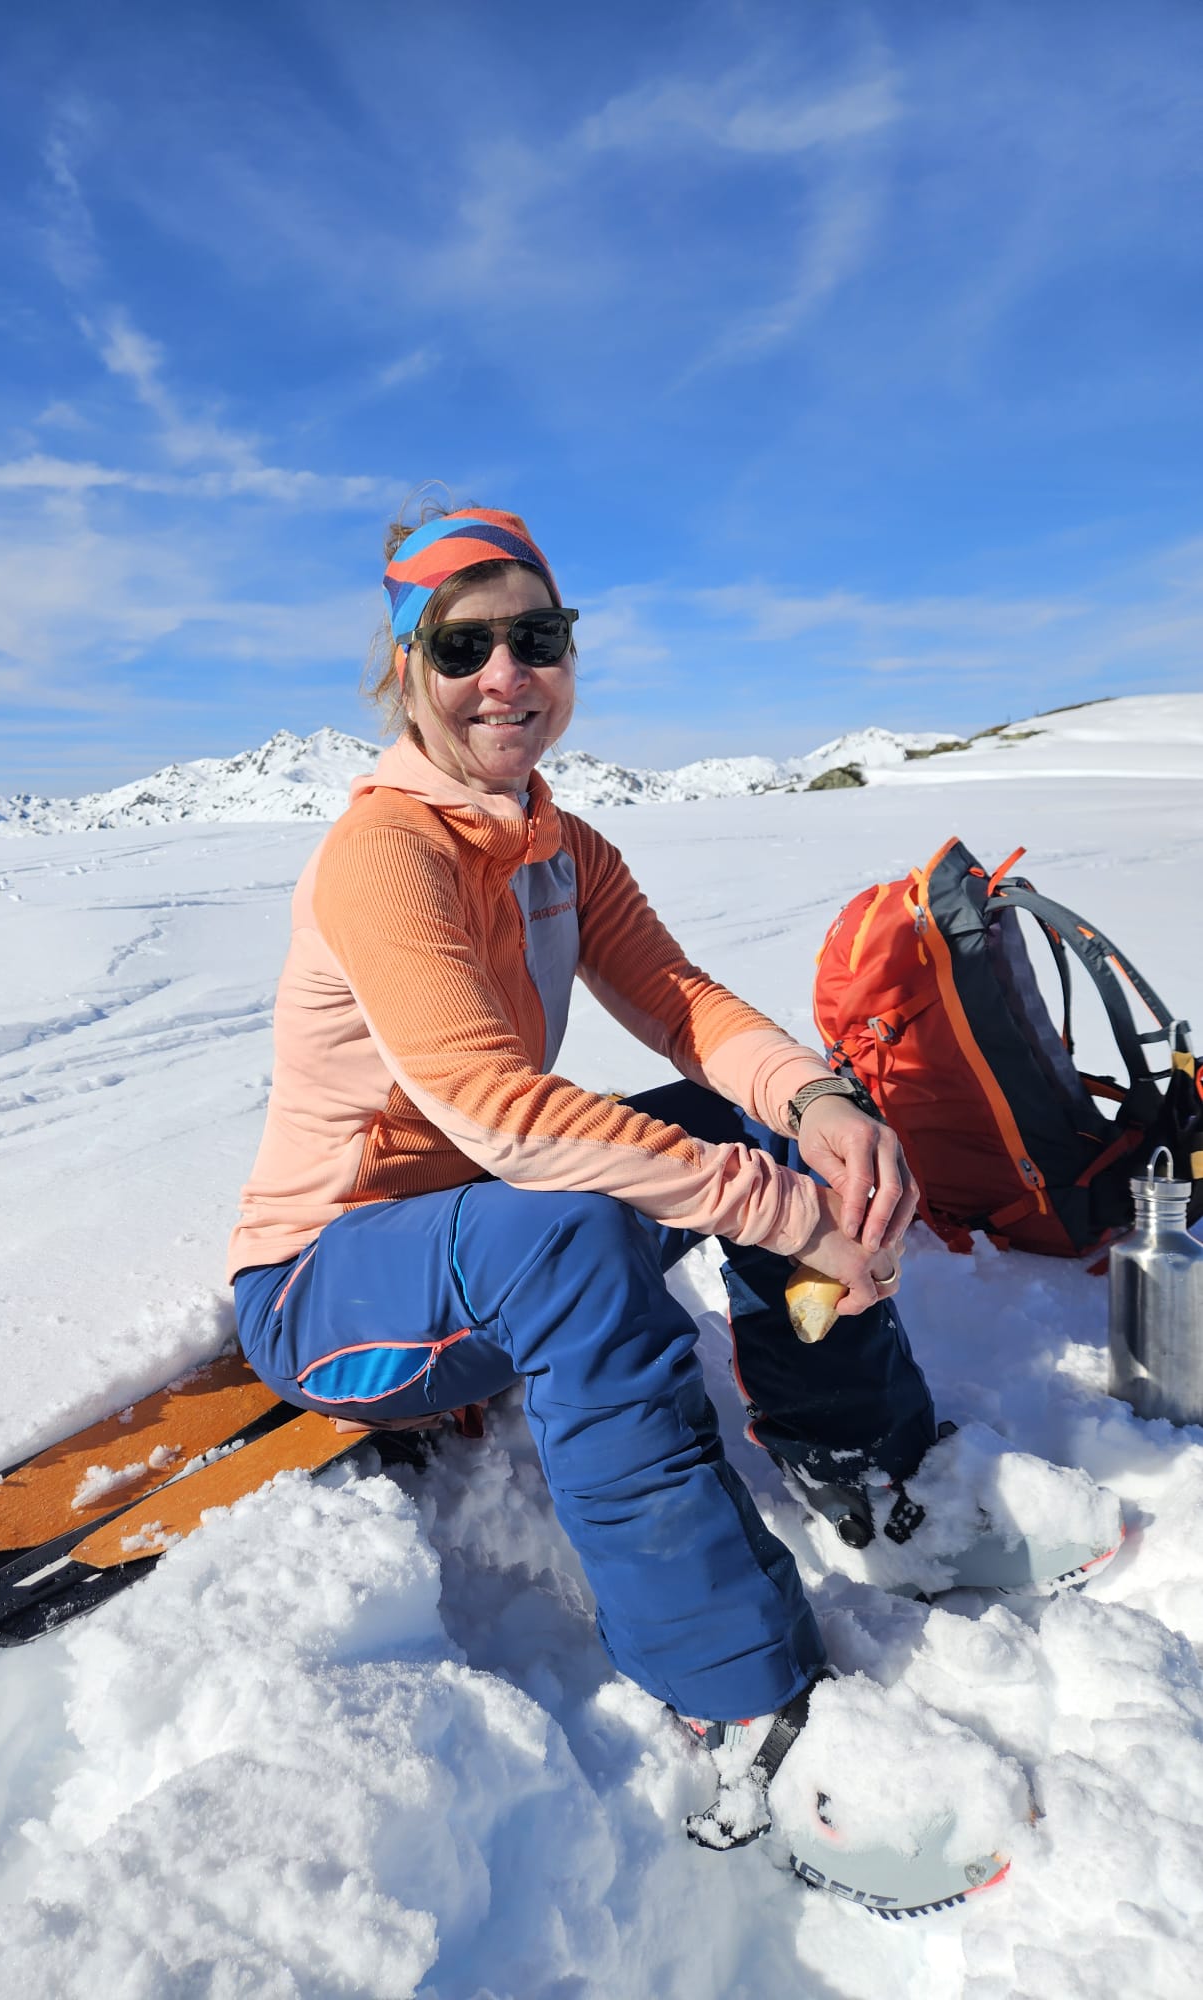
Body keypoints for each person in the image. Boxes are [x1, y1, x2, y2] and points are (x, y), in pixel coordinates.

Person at [227, 504, 1115, 1903]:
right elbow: (496, 1108)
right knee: (579, 1230)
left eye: (537, 637)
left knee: (745, 1130)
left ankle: (867, 1470)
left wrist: (815, 1107)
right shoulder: (386, 854)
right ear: (406, 670)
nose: (507, 675)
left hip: (483, 1229)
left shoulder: (557, 844)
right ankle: (737, 1701)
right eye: (463, 647)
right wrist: (780, 1214)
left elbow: (683, 1005)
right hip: (324, 1285)